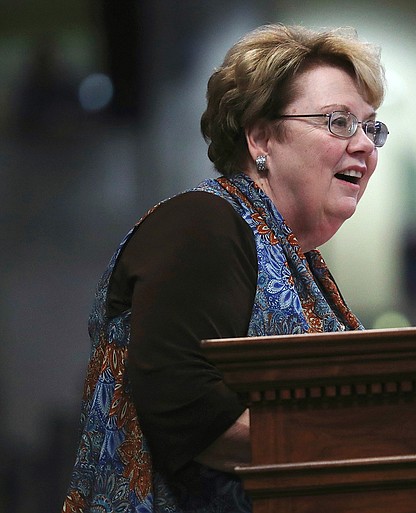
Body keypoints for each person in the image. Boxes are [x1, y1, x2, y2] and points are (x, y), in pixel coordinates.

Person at [62, 23, 389, 513]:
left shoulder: (296, 260)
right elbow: (184, 408)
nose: (364, 144)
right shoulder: (203, 224)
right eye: (338, 122)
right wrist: (370, 448)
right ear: (260, 138)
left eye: (372, 127)